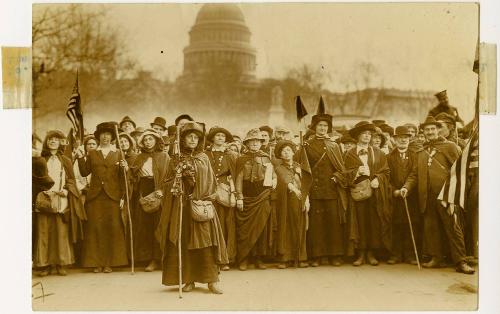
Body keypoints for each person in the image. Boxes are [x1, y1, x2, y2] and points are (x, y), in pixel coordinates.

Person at [156, 121, 227, 294]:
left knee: (206, 243)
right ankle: (189, 279)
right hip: (182, 208)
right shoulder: (175, 159)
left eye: (196, 137)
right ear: (183, 139)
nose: (193, 140)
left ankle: (212, 281)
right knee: (185, 242)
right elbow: (165, 184)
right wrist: (178, 179)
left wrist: (201, 193)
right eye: (190, 137)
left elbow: (211, 182)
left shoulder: (204, 158)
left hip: (200, 205)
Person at [412, 116, 474, 274]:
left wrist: (456, 191)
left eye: (433, 129)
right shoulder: (421, 150)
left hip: (447, 194)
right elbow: (414, 174)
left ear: (438, 130)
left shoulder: (450, 146)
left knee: (453, 227)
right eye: (427, 130)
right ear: (423, 132)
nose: (430, 132)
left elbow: (460, 170)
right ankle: (436, 257)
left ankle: (461, 261)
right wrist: (406, 187)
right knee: (431, 227)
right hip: (427, 196)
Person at [76, 122, 129, 273]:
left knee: (112, 229)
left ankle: (110, 263)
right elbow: (85, 172)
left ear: (112, 137)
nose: (105, 137)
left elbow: (122, 178)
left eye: (108, 134)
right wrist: (80, 158)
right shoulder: (92, 153)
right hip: (95, 197)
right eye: (102, 134)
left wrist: (123, 195)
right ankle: (96, 263)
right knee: (95, 229)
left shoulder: (118, 153)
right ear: (98, 137)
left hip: (113, 196)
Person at [301, 114, 352, 267]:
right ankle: (317, 256)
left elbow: (341, 167)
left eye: (325, 126)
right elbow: (304, 168)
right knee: (317, 224)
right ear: (314, 127)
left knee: (333, 223)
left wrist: (336, 177)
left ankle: (334, 255)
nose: (323, 129)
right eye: (320, 126)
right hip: (314, 190)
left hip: (331, 190)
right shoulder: (307, 145)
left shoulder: (333, 145)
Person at [34, 130, 85, 276]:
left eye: (56, 139)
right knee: (44, 231)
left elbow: (71, 180)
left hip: (61, 198)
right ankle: (45, 264)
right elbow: (34, 178)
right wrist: (42, 190)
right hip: (43, 197)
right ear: (46, 142)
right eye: (50, 139)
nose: (53, 141)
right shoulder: (40, 159)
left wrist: (66, 191)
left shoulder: (66, 160)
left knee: (60, 232)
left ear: (60, 142)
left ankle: (61, 263)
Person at [344, 121, 392, 266]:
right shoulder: (348, 154)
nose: (366, 136)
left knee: (373, 222)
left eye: (369, 134)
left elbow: (386, 171)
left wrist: (378, 178)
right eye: (364, 134)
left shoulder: (378, 153)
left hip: (375, 193)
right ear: (358, 136)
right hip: (357, 193)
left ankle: (371, 253)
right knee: (359, 222)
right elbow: (342, 173)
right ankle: (361, 253)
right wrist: (356, 172)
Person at [235, 128, 276, 270]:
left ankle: (258, 258)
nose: (254, 144)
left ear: (261, 143)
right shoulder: (241, 159)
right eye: (252, 142)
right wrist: (239, 197)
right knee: (244, 230)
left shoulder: (266, 158)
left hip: (262, 195)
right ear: (247, 143)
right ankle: (244, 259)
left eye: (257, 142)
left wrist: (274, 181)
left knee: (262, 229)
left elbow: (272, 175)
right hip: (247, 196)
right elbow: (238, 179)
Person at [129, 129, 169, 272]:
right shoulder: (139, 158)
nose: (147, 142)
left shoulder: (164, 156)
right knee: (145, 226)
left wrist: (162, 190)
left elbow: (168, 176)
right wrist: (127, 170)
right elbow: (133, 176)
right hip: (144, 191)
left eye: (150, 139)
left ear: (156, 141)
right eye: (145, 140)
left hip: (159, 191)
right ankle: (149, 258)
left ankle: (160, 258)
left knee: (159, 226)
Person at [206, 126, 238, 270]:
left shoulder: (230, 155)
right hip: (208, 191)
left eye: (223, 136)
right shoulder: (205, 154)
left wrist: (234, 193)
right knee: (208, 224)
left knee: (225, 224)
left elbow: (235, 176)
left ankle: (224, 258)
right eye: (218, 136)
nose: (220, 138)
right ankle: (211, 259)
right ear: (212, 138)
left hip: (224, 191)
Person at [387, 126, 420, 265]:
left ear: (409, 139)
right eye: (400, 138)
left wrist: (406, 188)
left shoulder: (415, 155)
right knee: (396, 225)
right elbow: (386, 177)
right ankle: (396, 255)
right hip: (394, 197)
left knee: (411, 224)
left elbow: (415, 174)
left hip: (411, 196)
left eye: (405, 138)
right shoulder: (388, 157)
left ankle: (410, 255)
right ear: (394, 140)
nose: (403, 140)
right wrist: (394, 190)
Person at [274, 140, 309, 268]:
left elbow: (306, 183)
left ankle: (301, 257)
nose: (286, 153)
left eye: (289, 150)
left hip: (300, 200)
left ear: (293, 152)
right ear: (280, 155)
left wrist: (306, 199)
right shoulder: (279, 168)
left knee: (300, 227)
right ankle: (285, 258)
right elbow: (285, 180)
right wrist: (295, 190)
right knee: (286, 227)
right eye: (284, 151)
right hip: (286, 201)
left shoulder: (299, 166)